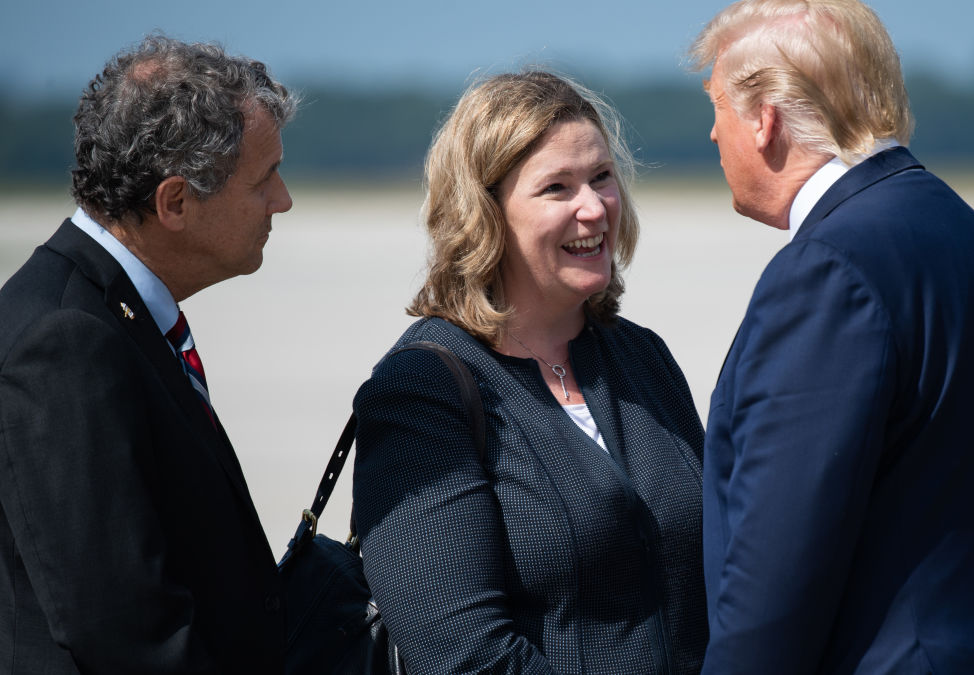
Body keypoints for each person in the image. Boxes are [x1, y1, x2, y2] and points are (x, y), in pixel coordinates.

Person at [689, 1, 974, 673]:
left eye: (718, 107)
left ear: (765, 120)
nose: (710, 135)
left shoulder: (830, 269)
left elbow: (778, 565)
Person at [351, 71, 708, 674]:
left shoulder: (642, 357)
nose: (594, 208)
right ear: (485, 215)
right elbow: (463, 656)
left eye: (601, 177)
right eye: (557, 188)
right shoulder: (422, 391)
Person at [0, 36, 295, 673]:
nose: (283, 201)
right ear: (176, 203)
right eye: (265, 179)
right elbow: (121, 627)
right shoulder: (64, 340)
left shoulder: (105, 312)